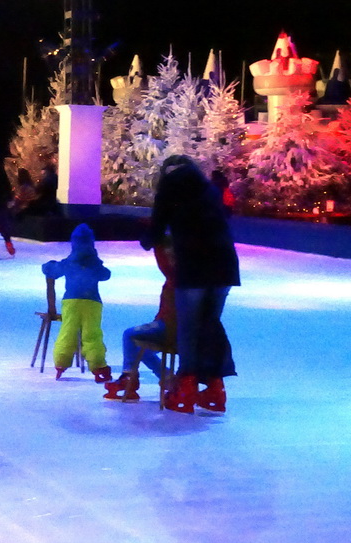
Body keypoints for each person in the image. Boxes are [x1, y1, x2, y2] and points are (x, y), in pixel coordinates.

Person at [142, 154, 240, 413]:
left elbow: (155, 229)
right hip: (224, 266)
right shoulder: (208, 189)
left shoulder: (169, 188)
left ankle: (185, 390)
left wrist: (147, 239)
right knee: (210, 325)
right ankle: (215, 388)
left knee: (188, 328)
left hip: (194, 266)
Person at [104, 236, 176, 401]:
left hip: (170, 327)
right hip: (171, 325)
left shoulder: (175, 279)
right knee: (141, 348)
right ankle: (166, 377)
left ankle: (129, 377)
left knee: (129, 335)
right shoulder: (177, 278)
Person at [41, 223, 112, 382]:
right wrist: (97, 262)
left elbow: (52, 270)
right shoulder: (93, 263)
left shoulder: (69, 262)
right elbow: (105, 275)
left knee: (68, 331)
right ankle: (98, 365)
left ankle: (60, 362)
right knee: (92, 334)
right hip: (92, 302)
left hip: (71, 301)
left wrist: (48, 266)